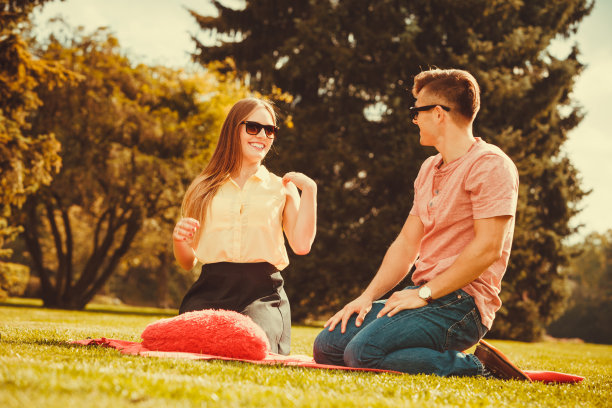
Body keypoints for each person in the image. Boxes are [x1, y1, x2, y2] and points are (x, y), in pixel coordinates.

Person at [313, 68, 529, 380]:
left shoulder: (491, 165)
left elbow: (488, 249)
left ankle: (480, 368)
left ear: (439, 114)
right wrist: (367, 297)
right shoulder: (429, 168)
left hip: (463, 304)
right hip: (424, 294)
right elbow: (406, 244)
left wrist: (424, 294)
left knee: (361, 353)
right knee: (328, 346)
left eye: (417, 111)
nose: (414, 119)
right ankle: (419, 355)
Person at [173, 97, 317, 355]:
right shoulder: (203, 188)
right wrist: (179, 241)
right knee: (189, 344)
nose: (262, 135)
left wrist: (311, 191)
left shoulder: (282, 188)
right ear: (233, 130)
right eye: (253, 127)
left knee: (252, 345)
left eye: (270, 129)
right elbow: (187, 262)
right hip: (210, 288)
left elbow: (302, 245)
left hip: (262, 293)